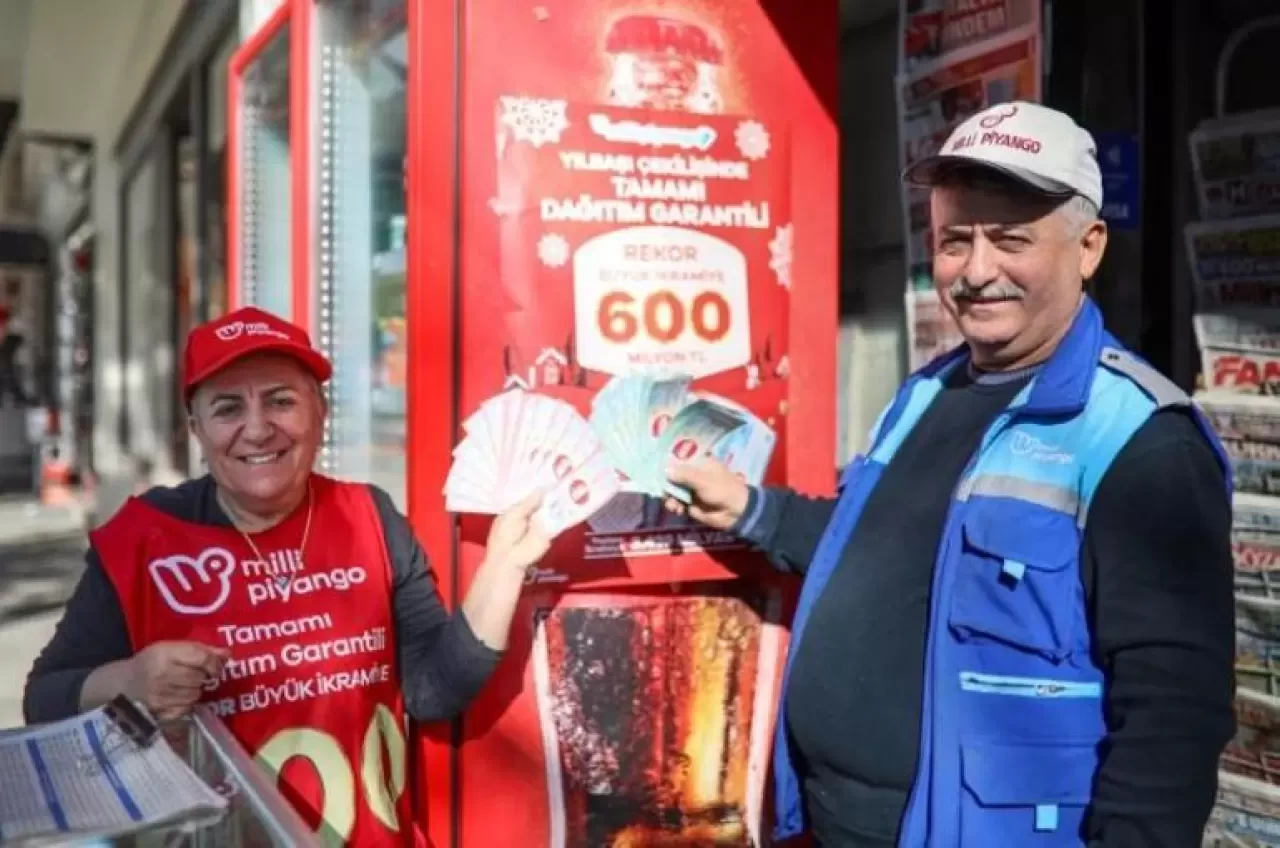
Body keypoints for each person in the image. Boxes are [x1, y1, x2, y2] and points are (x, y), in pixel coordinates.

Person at [667, 102, 1236, 847]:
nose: (975, 271)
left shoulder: (1142, 441)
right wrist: (752, 509)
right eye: (954, 241)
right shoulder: (926, 394)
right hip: (836, 823)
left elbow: (1174, 716)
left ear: (1088, 247)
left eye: (1010, 240)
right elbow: (875, 554)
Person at [25, 306, 550, 846]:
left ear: (319, 413)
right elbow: (43, 699)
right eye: (228, 408)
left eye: (280, 400)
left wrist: (504, 567)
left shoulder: (371, 516)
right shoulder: (140, 539)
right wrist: (130, 682)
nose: (257, 428)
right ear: (197, 430)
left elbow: (432, 692)